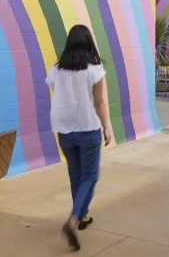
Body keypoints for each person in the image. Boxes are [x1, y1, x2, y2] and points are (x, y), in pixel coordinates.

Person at [46, 25, 114, 251]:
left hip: (64, 130)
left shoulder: (57, 69)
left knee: (76, 175)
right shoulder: (95, 69)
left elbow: (60, 94)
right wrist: (108, 127)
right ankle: (73, 221)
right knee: (90, 177)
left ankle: (82, 216)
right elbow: (100, 103)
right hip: (87, 127)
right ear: (88, 44)